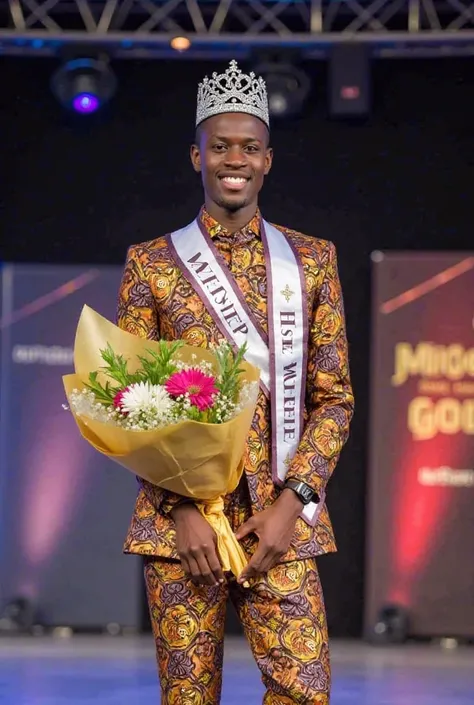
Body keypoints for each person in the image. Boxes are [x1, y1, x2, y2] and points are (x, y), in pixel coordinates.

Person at [117, 59, 354, 705]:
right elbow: (130, 401)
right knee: (188, 697)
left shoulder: (312, 259)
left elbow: (334, 399)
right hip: (181, 531)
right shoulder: (152, 265)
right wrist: (184, 509)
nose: (234, 159)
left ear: (268, 160)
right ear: (197, 155)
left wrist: (292, 502)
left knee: (305, 693)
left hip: (283, 524)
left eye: (249, 147)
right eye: (219, 146)